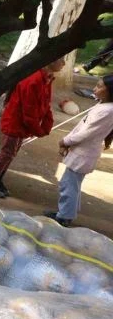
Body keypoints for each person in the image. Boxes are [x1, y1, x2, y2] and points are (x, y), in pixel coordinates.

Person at [0, 57, 66, 199]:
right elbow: (28, 110)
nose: (63, 64)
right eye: (60, 59)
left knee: (11, 153)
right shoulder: (34, 80)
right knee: (7, 152)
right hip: (16, 122)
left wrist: (46, 125)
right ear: (51, 60)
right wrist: (38, 130)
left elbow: (46, 104)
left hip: (23, 124)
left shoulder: (46, 78)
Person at [47, 76, 113, 227]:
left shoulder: (106, 111)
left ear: (110, 91)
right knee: (72, 184)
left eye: (99, 86)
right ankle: (66, 213)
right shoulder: (104, 106)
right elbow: (83, 128)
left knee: (68, 184)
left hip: (83, 153)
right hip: (83, 151)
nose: (95, 89)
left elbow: (86, 133)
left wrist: (66, 141)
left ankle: (64, 217)